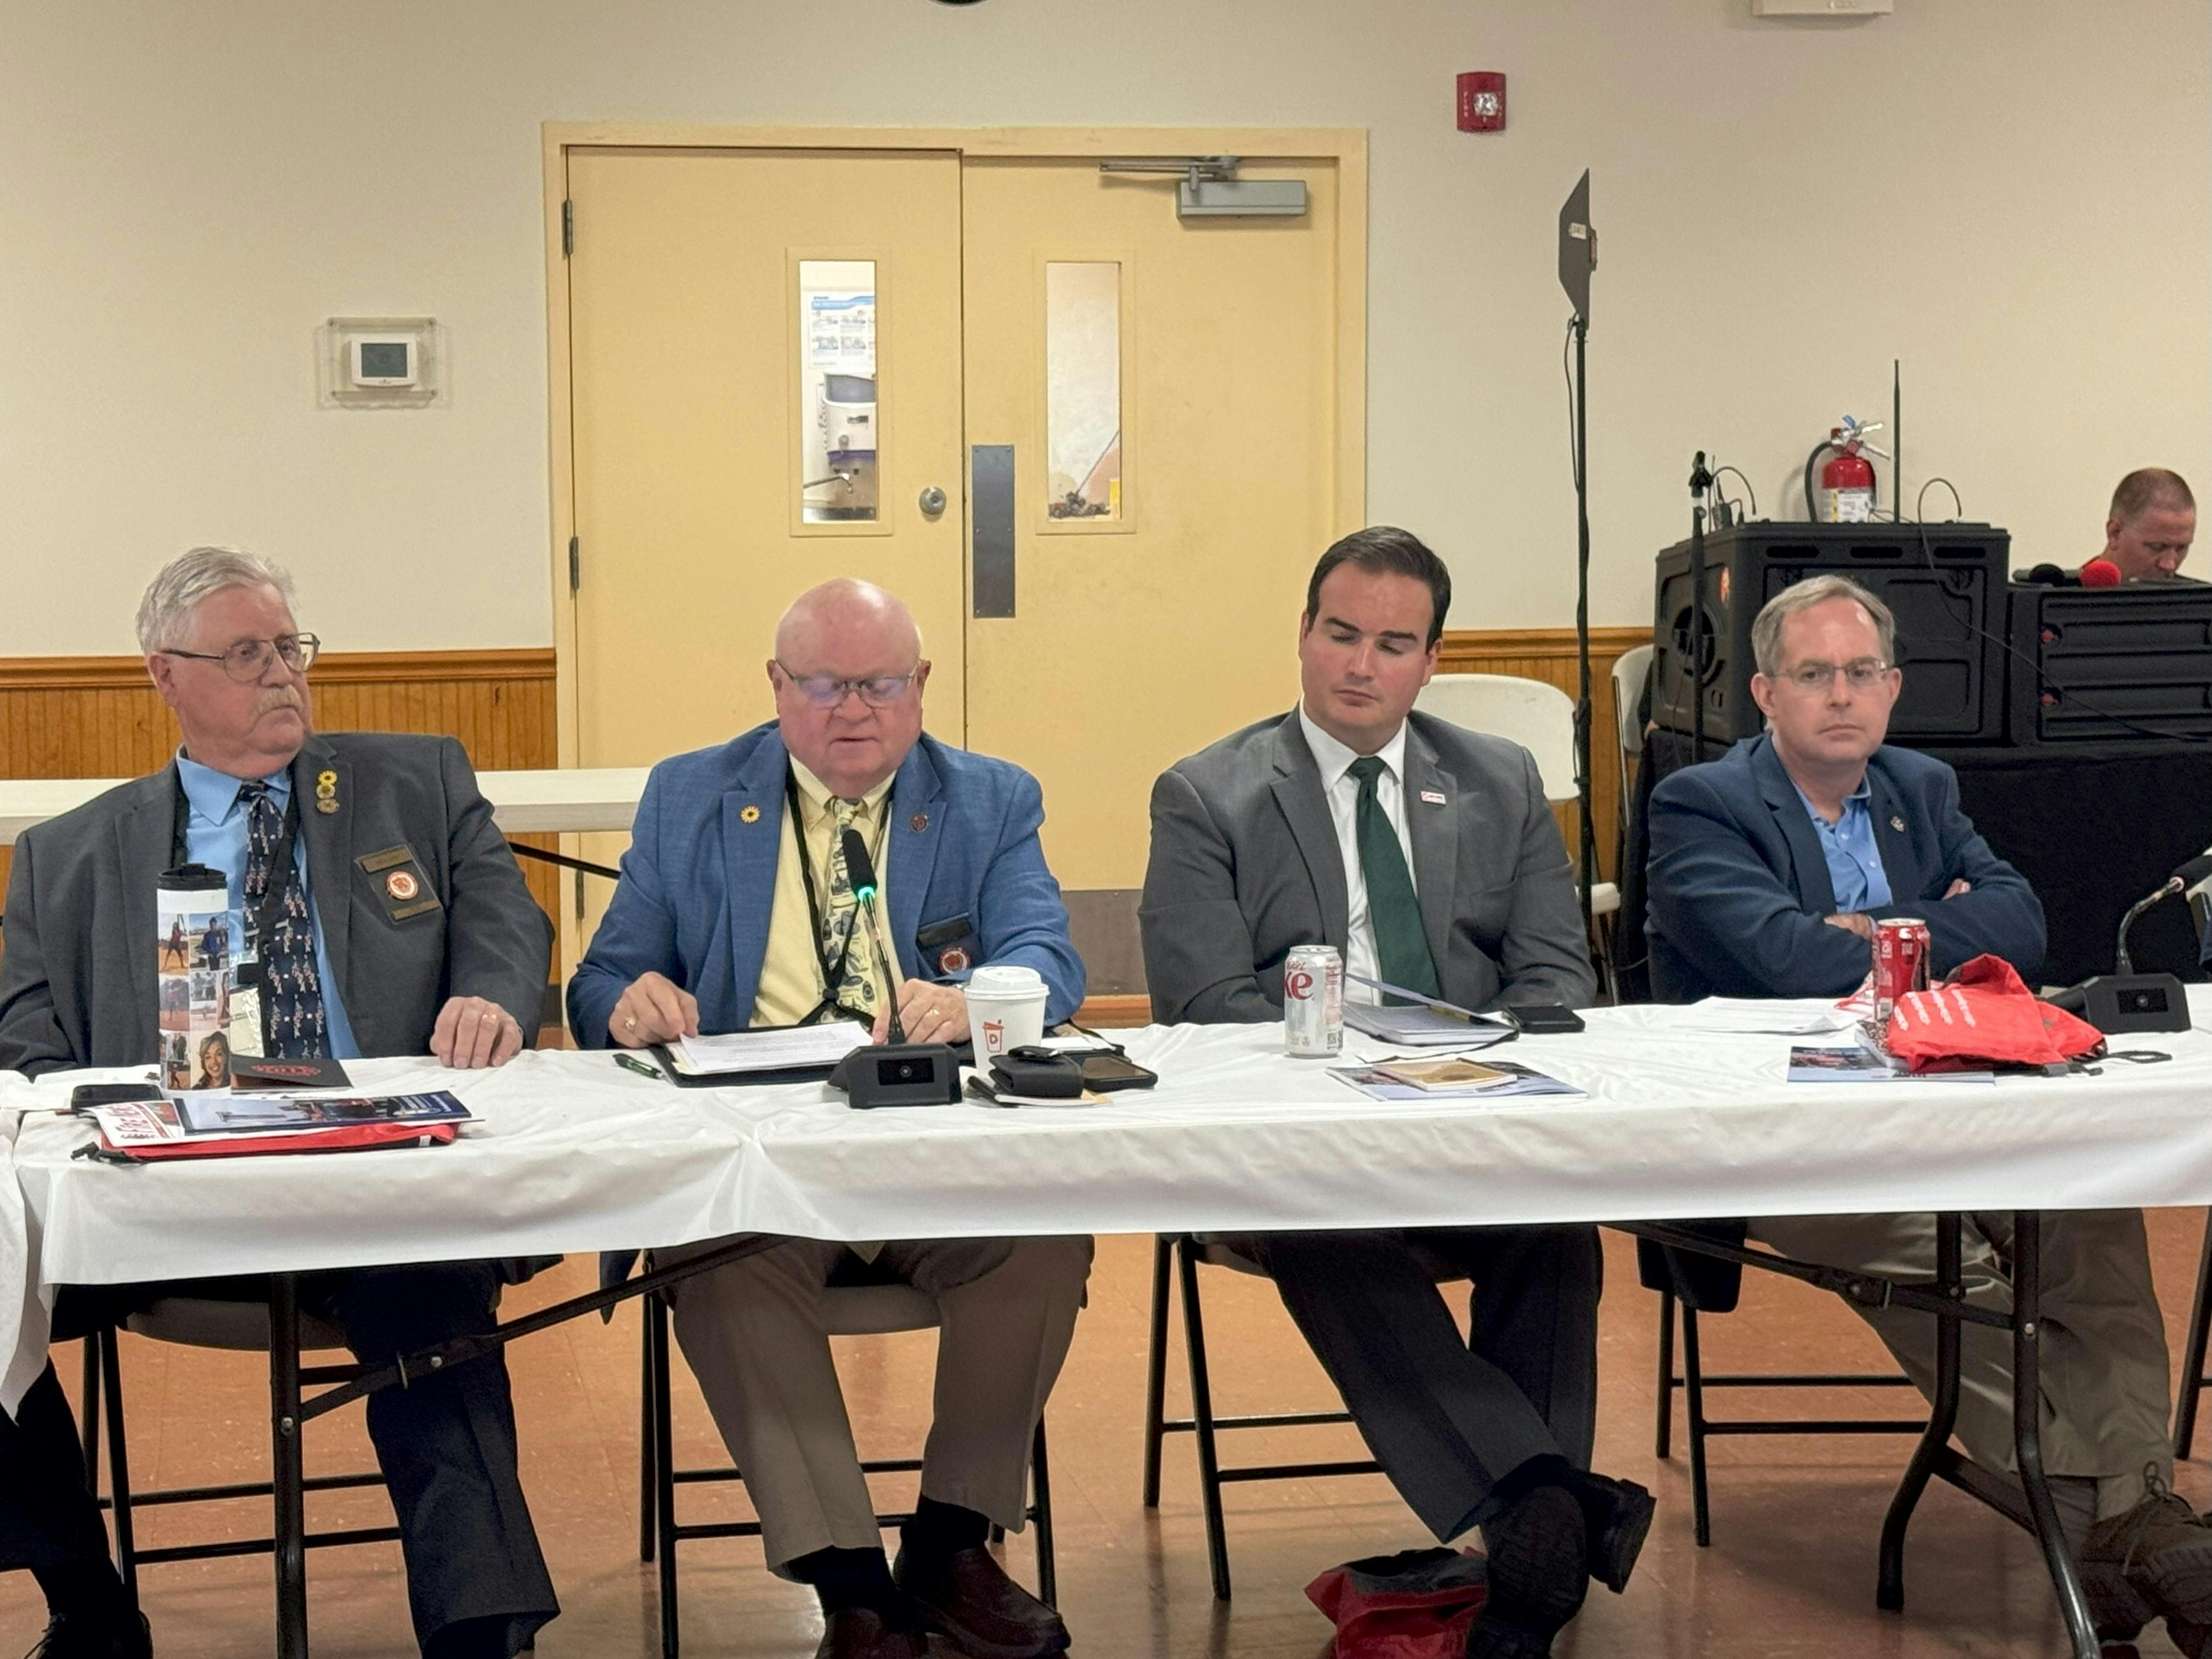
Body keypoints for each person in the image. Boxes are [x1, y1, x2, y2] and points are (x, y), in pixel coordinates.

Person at [0, 546, 560, 1659]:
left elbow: (508, 921)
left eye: (291, 649)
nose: (283, 677)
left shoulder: (416, 780)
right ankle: (88, 1602)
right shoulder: (66, 857)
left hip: (377, 1174)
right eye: (247, 655)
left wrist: (492, 996)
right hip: (165, 1198)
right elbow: (23, 1043)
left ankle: (481, 1637)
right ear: (165, 674)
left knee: (431, 1300)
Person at [1646, 573, 2212, 1653]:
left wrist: (1864, 932)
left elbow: (2023, 926)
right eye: (1814, 675)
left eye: (1863, 673)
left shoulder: (1924, 785)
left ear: (1896, 688)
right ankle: (2128, 1514)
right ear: (1763, 692)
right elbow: (1780, 959)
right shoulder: (1703, 804)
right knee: (1951, 1272)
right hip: (1800, 1142)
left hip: (1965, 1105)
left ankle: (2127, 1517)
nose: (1842, 696)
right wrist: (1926, 927)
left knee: (2089, 1211)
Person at [1140, 526, 1652, 1659]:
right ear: (1304, 634)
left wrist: (1469, 1067)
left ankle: (1524, 1542)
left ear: (1430, 660)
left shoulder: (1498, 777)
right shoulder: (1207, 795)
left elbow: (1557, 978)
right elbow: (1202, 1008)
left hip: (1470, 1115)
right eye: (1339, 634)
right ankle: (1544, 1509)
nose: (1359, 666)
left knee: (1556, 1228)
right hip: (1296, 1139)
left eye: (1391, 643)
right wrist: (1358, 1054)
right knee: (1325, 1232)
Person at [569, 577, 1091, 1659]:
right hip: (760, 1160)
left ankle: (949, 1546)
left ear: (921, 686)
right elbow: (603, 974)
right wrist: (627, 1001)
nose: (853, 709)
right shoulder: (690, 796)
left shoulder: (992, 799)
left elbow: (1050, 956)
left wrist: (976, 996)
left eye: (881, 683)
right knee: (708, 1255)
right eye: (823, 684)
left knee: (1045, 1236)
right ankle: (850, 1584)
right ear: (776, 686)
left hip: (928, 1145)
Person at [2098, 468, 2196, 582]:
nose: (2169, 565)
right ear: (2115, 533)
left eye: (2181, 549)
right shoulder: (2075, 597)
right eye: (2158, 547)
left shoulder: (2199, 597)